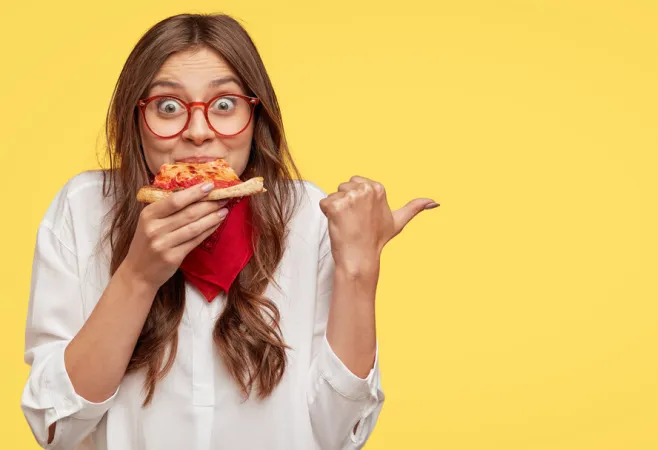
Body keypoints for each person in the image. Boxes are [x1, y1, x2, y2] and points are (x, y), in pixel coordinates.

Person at [20, 13, 438, 450]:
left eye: (224, 105)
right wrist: (139, 276)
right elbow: (56, 428)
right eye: (168, 107)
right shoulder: (84, 208)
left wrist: (359, 269)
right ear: (135, 119)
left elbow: (341, 434)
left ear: (256, 117)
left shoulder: (308, 216)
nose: (198, 132)